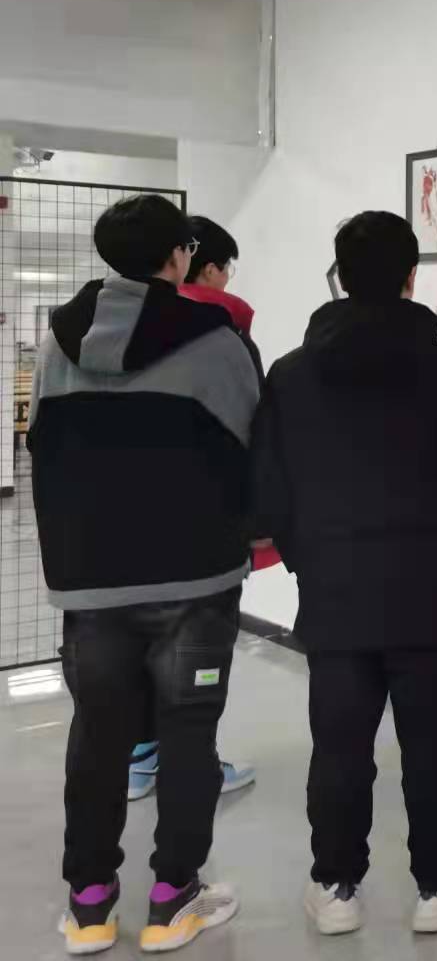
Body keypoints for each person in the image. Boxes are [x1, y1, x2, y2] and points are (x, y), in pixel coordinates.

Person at [250, 211, 437, 938]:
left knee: (339, 746)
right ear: (411, 277)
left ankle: (335, 886)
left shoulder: (292, 374)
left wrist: (306, 556)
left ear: (339, 275)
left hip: (335, 589)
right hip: (433, 588)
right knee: (432, 747)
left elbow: (271, 489)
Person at [30, 194, 255, 954]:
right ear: (180, 255)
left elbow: (43, 448)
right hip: (195, 579)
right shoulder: (216, 343)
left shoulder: (57, 343)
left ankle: (89, 905)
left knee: (98, 738)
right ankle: (172, 899)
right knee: (189, 738)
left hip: (91, 579)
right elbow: (249, 447)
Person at [127, 216, 260, 804]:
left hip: (120, 524)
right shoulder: (224, 335)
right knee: (198, 654)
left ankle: (139, 761)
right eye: (226, 268)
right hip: (202, 528)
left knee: (139, 645)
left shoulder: (105, 327)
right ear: (204, 267)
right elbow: (252, 433)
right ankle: (194, 768)